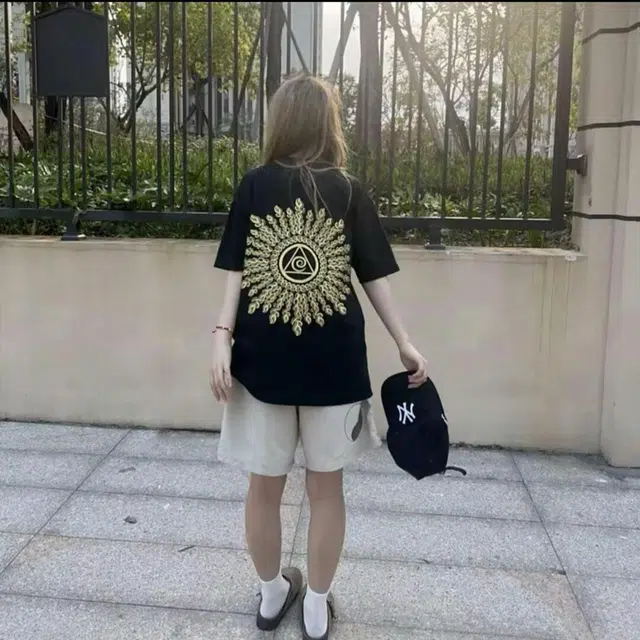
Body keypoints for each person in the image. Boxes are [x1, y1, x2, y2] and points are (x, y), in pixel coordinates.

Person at [209, 73, 427, 640]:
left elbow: (235, 270)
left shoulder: (253, 186)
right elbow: (375, 277)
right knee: (326, 490)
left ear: (281, 121)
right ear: (328, 123)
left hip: (261, 362)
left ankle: (271, 594)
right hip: (335, 363)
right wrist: (403, 341)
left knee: (263, 487)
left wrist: (221, 336)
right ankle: (315, 607)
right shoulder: (349, 191)